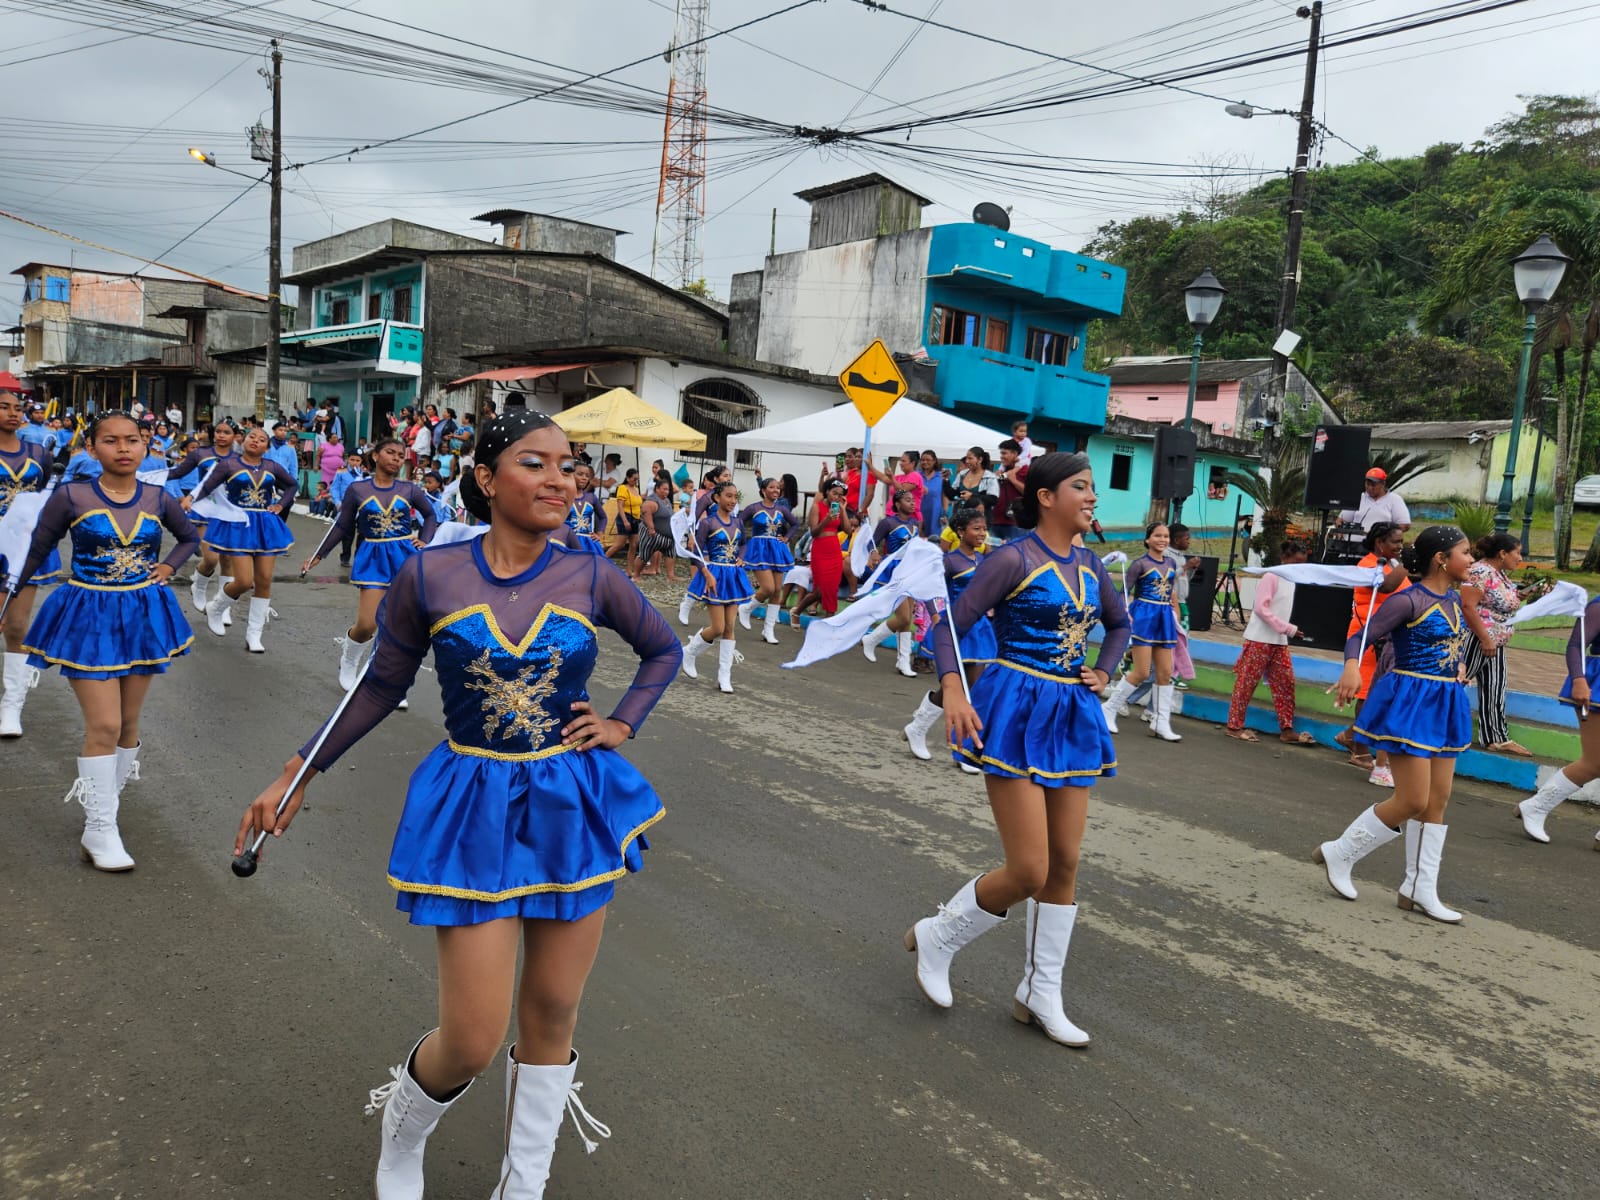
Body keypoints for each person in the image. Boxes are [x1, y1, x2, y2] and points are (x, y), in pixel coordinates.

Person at [234, 410, 680, 1199]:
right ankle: (404, 1128)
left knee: (554, 1008)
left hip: (570, 802)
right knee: (473, 1039)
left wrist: (621, 723)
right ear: (484, 478)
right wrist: (295, 772)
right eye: (535, 463)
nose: (560, 479)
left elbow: (663, 650)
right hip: (474, 802)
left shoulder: (591, 574)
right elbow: (379, 687)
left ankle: (523, 1184)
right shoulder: (430, 575)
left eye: (568, 465)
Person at [908, 452, 1130, 1048]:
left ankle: (1040, 991)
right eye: (1081, 486)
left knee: (1065, 863)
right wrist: (955, 690)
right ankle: (939, 936)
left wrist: (1105, 671)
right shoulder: (1013, 558)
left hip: (1071, 713)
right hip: (1015, 707)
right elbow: (948, 627)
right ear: (1046, 497)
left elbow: (1119, 625)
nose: (1092, 496)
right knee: (1030, 869)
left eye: (1093, 487)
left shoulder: (1092, 564)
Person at [14, 412, 199, 871]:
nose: (123, 449)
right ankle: (99, 828)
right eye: (111, 441)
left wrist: (169, 567)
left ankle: (105, 814)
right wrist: (8, 594)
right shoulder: (71, 495)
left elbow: (188, 537)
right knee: (105, 725)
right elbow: (38, 548)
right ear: (92, 448)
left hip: (142, 615)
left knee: (128, 725)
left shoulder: (159, 497)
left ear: (145, 446)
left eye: (132, 440)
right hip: (88, 615)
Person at [1314, 526, 1474, 924]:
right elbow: (1361, 637)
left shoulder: (1454, 600)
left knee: (1437, 800)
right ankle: (1341, 852)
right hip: (1411, 703)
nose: (1471, 560)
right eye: (1466, 552)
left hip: (1444, 702)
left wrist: (1457, 665)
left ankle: (1419, 887)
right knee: (1413, 800)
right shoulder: (1408, 600)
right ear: (1441, 559)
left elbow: (1448, 646)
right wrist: (1352, 667)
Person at [303, 437, 437, 691]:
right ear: (375, 456)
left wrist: (425, 540)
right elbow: (343, 525)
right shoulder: (358, 489)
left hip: (405, 557)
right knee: (367, 623)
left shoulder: (409, 489)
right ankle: (350, 656)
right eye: (390, 452)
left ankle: (390, 680)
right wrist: (319, 554)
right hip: (373, 556)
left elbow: (430, 515)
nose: (396, 458)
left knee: (399, 625)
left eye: (400, 455)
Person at [903, 506, 993, 766]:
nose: (982, 534)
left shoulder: (983, 559)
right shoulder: (950, 561)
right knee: (960, 688)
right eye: (976, 529)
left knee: (967, 688)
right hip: (957, 628)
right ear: (960, 531)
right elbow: (929, 588)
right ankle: (960, 747)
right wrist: (934, 615)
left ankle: (921, 727)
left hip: (980, 628)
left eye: (984, 529)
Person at [196, 427, 297, 653]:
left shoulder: (272, 467)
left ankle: (254, 634)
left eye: (261, 439)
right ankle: (216, 607)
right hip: (239, 524)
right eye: (252, 436)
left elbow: (292, 485)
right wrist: (189, 502)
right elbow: (206, 487)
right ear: (243, 440)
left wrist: (281, 505)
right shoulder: (229, 465)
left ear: (267, 447)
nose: (255, 441)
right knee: (243, 580)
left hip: (265, 525)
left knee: (264, 580)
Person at [0, 388, 65, 737]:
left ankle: (12, 705)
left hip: (22, 551)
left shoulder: (38, 453)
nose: (13, 413)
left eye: (17, 408)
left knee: (16, 626)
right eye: (4, 407)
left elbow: (48, 498)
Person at [1515, 592, 1600, 846]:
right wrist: (1578, 679)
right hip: (1595, 687)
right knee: (1595, 762)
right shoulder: (1598, 606)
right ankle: (1536, 807)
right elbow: (1575, 645)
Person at [1334, 523, 1410, 787]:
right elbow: (1387, 587)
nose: (1400, 546)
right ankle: (1359, 748)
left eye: (1402, 542)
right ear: (1379, 543)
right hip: (1368, 637)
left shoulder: (1392, 563)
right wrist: (1407, 563)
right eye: (1395, 542)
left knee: (1378, 694)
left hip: (1388, 638)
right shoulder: (1368, 565)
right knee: (1367, 694)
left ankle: (1351, 736)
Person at [1224, 540, 1316, 744]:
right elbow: (1260, 608)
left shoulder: (1291, 580)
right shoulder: (1271, 576)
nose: (1298, 567)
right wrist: (1288, 628)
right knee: (1246, 683)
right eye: (1295, 562)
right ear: (1284, 558)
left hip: (1279, 641)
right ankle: (1233, 726)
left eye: (1302, 563)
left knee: (1285, 683)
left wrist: (1286, 630)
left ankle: (1287, 729)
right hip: (1260, 640)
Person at [1099, 524, 1182, 742]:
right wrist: (1124, 612)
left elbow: (1170, 592)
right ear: (1147, 540)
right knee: (1142, 671)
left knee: (1165, 672)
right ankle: (1109, 708)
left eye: (1166, 536)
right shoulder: (1140, 564)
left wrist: (1175, 613)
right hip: (1144, 618)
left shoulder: (1171, 563)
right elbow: (1123, 592)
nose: (1162, 539)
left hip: (1164, 619)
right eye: (1157, 536)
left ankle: (1160, 722)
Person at [1459, 532, 1528, 756]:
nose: (1520, 558)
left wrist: (1523, 595)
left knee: (1495, 687)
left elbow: (1498, 601)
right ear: (1502, 553)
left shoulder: (1499, 574)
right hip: (1478, 639)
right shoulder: (1480, 571)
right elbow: (1468, 606)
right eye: (1517, 553)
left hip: (1495, 642)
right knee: (1456, 681)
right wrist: (1485, 638)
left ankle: (1496, 737)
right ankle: (1426, 725)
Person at [681, 481, 753, 693]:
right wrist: (707, 574)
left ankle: (724, 676)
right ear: (717, 498)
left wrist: (741, 558)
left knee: (730, 628)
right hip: (714, 575)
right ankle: (690, 651)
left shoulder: (738, 522)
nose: (732, 500)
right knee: (719, 628)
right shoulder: (708, 523)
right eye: (728, 496)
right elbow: (696, 554)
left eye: (735, 497)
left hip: (733, 576)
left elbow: (743, 544)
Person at [174, 420, 241, 617]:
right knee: (211, 558)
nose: (221, 435)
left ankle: (222, 605)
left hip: (227, 511)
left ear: (234, 436)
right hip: (204, 508)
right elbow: (177, 473)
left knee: (227, 560)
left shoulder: (239, 459)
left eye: (226, 432)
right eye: (218, 431)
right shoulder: (200, 454)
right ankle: (199, 585)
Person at [856, 486, 924, 678]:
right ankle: (871, 639)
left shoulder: (915, 523)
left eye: (913, 500)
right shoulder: (888, 522)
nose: (912, 503)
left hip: (910, 570)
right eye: (908, 500)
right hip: (893, 571)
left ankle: (903, 661)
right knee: (903, 618)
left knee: (907, 619)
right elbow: (871, 542)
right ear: (897, 504)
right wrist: (873, 553)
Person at [735, 477, 796, 645]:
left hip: (776, 549)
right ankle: (746, 608)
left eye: (778, 488)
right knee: (768, 588)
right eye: (771, 487)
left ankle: (768, 630)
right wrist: (743, 541)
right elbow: (738, 522)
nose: (776, 490)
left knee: (777, 591)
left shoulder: (782, 509)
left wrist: (787, 537)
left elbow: (795, 524)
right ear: (763, 490)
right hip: (759, 549)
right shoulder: (754, 508)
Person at [807, 473, 855, 617]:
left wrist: (843, 509)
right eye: (834, 493)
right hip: (820, 548)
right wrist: (827, 519)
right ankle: (803, 607)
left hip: (834, 549)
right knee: (821, 584)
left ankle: (830, 615)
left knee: (832, 586)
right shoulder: (817, 507)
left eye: (840, 495)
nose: (837, 497)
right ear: (827, 491)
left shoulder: (839, 508)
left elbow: (848, 530)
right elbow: (814, 532)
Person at [633, 475, 680, 583]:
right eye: (664, 489)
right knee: (644, 555)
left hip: (667, 536)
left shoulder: (666, 500)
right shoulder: (652, 501)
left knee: (671, 553)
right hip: (653, 534)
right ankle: (636, 575)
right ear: (657, 489)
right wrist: (651, 528)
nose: (667, 491)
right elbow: (646, 513)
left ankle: (670, 576)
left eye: (668, 489)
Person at [1338, 467, 1411, 531]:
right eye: (1367, 484)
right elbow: (1340, 520)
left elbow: (1405, 525)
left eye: (1373, 485)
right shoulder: (1358, 498)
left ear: (1383, 484)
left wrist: (1384, 533)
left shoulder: (1395, 499)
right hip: (1354, 541)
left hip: (1380, 541)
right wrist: (1339, 531)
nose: (1370, 488)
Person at [991, 439, 1028, 543]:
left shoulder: (1025, 470)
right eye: (1001, 453)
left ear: (1015, 454)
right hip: (995, 520)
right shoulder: (1002, 471)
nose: (1001, 456)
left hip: (1014, 523)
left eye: (1004, 453)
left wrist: (1014, 481)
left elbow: (1030, 493)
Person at [951, 446, 998, 524]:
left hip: (979, 521)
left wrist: (972, 496)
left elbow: (993, 500)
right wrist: (945, 481)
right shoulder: (962, 474)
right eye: (966, 458)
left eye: (970, 458)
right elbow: (952, 495)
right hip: (960, 519)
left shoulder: (989, 477)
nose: (967, 461)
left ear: (980, 460)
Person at [608, 467, 643, 568]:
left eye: (637, 479)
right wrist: (625, 520)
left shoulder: (636, 489)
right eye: (634, 479)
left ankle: (629, 569)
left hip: (636, 518)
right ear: (628, 478)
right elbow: (620, 505)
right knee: (620, 544)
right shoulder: (623, 488)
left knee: (633, 545)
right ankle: (603, 559)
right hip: (626, 516)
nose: (636, 481)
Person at [565, 463, 606, 549]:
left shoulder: (591, 497)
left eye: (587, 476)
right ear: (571, 475)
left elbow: (603, 517)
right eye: (580, 474)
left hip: (588, 543)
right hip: (567, 542)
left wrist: (599, 533)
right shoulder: (563, 497)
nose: (584, 478)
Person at [917, 450, 947, 537]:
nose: (925, 462)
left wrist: (945, 513)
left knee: (934, 538)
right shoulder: (916, 475)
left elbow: (944, 496)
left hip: (935, 513)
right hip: (919, 512)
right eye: (923, 460)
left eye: (928, 460)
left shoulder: (941, 476)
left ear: (934, 461)